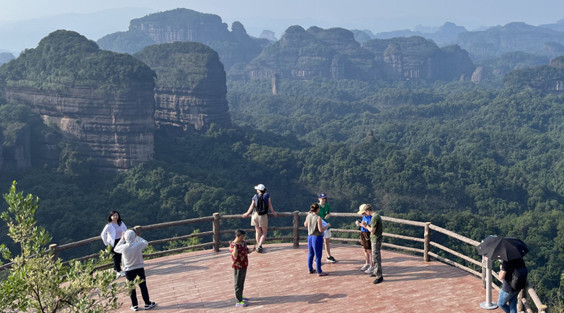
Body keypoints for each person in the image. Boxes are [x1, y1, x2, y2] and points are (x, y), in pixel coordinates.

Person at [114, 229, 157, 311]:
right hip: (139, 268)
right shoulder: (138, 244)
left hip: (128, 270)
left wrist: (122, 239)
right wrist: (137, 237)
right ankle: (147, 303)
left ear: (125, 237)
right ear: (134, 236)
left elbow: (115, 249)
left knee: (131, 287)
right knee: (143, 286)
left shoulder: (123, 247)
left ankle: (134, 305)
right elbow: (146, 242)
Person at [242, 184, 278, 253]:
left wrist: (247, 213)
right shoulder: (267, 196)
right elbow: (270, 205)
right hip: (263, 215)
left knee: (258, 231)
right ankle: (259, 246)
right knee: (264, 232)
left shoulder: (255, 196)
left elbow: (252, 206)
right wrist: (273, 213)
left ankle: (258, 245)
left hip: (255, 215)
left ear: (259, 190)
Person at [230, 229, 256, 308]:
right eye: (242, 236)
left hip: (244, 264)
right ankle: (238, 301)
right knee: (237, 283)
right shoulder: (232, 245)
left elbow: (246, 251)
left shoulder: (243, 243)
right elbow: (234, 255)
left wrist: (252, 250)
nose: (243, 238)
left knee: (242, 281)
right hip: (237, 266)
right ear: (237, 236)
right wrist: (235, 246)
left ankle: (241, 295)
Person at [359, 204, 384, 284]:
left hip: (375, 239)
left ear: (368, 211)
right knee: (374, 257)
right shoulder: (376, 216)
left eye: (365, 213)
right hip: (376, 238)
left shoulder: (374, 218)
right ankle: (376, 272)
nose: (365, 214)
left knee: (376, 258)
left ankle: (379, 276)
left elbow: (372, 230)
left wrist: (365, 226)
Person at [304, 203, 331, 276]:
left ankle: (310, 269)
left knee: (310, 254)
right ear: (318, 209)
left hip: (310, 236)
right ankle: (319, 271)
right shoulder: (318, 218)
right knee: (318, 255)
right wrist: (327, 226)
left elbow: (305, 224)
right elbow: (320, 229)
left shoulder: (308, 215)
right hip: (317, 237)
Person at [100, 210, 127, 278]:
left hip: (121, 241)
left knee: (122, 256)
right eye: (114, 215)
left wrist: (126, 238)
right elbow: (103, 234)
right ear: (111, 217)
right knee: (116, 257)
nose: (115, 216)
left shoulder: (121, 223)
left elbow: (126, 230)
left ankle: (117, 269)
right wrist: (106, 242)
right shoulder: (109, 225)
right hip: (113, 242)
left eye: (116, 215)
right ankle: (119, 271)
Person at [318, 193, 337, 263]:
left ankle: (328, 256)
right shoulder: (316, 206)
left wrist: (328, 215)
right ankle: (317, 257)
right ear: (319, 199)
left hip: (326, 225)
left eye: (324, 198)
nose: (323, 200)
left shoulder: (327, 205)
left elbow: (329, 213)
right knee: (318, 242)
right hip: (319, 226)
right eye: (322, 198)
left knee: (327, 242)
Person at [355, 205, 373, 274]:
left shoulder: (371, 217)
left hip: (367, 234)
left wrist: (362, 225)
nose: (362, 214)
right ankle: (367, 263)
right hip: (362, 232)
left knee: (369, 250)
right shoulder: (364, 216)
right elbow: (363, 223)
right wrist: (360, 223)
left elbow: (370, 227)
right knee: (364, 249)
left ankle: (372, 266)